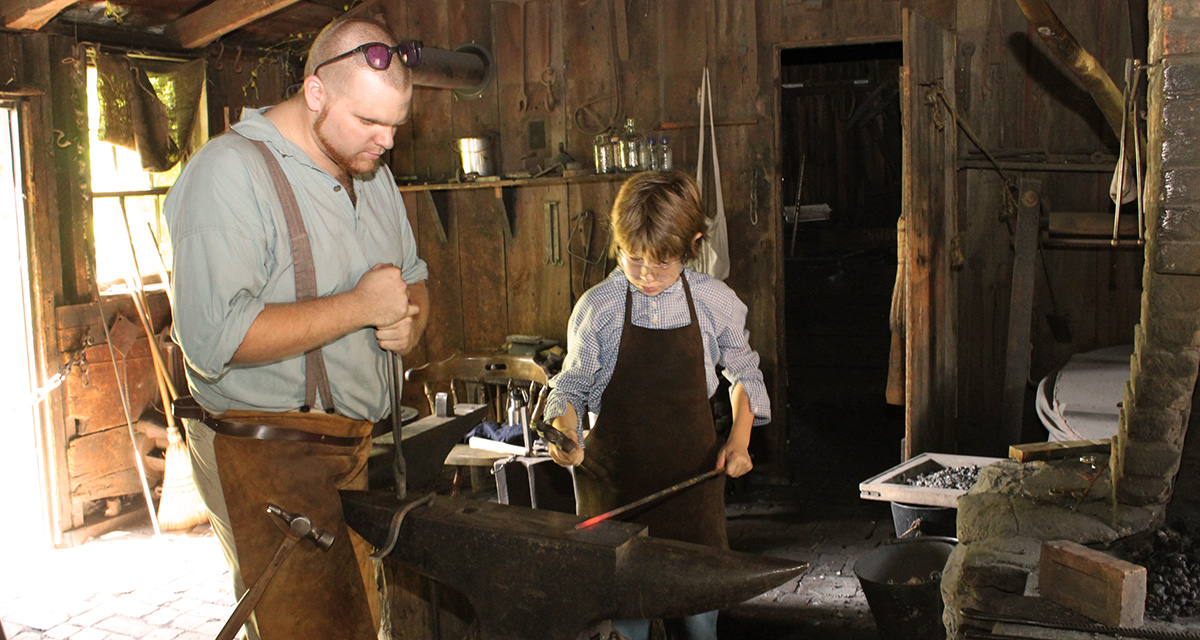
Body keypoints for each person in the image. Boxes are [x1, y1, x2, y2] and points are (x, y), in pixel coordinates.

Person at [163, 17, 428, 640]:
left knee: (358, 620)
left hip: (352, 446)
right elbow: (212, 343)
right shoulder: (227, 177)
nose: (386, 142)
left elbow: (414, 278)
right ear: (316, 93)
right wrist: (361, 307)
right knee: (303, 628)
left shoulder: (369, 169)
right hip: (269, 454)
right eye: (369, 122)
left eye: (395, 125)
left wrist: (412, 321)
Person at [543, 170, 771, 640]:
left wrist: (740, 440)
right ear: (618, 243)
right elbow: (572, 384)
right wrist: (565, 431)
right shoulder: (599, 307)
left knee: (700, 620)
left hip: (692, 490)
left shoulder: (712, 302)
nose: (646, 275)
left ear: (693, 243)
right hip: (617, 495)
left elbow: (745, 373)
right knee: (628, 621)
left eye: (662, 263)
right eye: (633, 259)